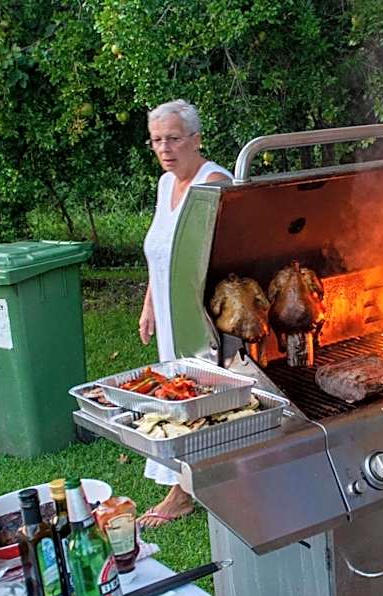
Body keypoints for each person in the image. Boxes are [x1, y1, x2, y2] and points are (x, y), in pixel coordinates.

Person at [138, 99, 232, 528]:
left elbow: (210, 262)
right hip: (171, 312)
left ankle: (184, 492)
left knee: (199, 393)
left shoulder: (213, 184)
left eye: (174, 138)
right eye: (157, 140)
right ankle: (184, 478)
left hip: (200, 315)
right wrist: (150, 303)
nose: (165, 148)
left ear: (196, 139)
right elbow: (161, 251)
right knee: (178, 391)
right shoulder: (164, 185)